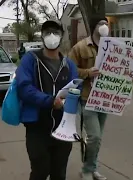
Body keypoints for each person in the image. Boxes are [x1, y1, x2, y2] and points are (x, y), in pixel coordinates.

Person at [15, 20, 79, 180]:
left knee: (59, 173)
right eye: (47, 32)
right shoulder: (30, 60)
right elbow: (24, 88)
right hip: (37, 127)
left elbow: (74, 90)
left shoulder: (69, 65)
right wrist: (50, 101)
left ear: (62, 36)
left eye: (56, 32)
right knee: (40, 171)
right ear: (42, 36)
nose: (52, 36)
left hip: (62, 128)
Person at [68, 15, 109, 180]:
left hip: (106, 99)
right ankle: (87, 169)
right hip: (87, 98)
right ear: (94, 27)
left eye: (106, 24)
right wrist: (87, 73)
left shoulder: (113, 47)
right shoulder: (80, 47)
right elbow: (69, 69)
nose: (104, 26)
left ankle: (93, 167)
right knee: (94, 136)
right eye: (101, 23)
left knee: (98, 138)